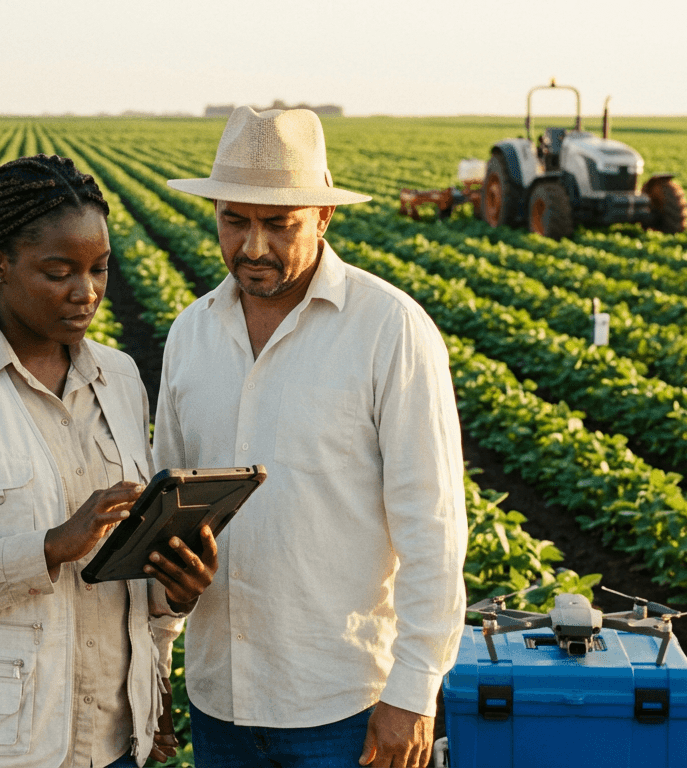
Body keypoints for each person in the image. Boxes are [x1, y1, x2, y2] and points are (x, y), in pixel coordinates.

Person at [0, 154, 218, 768]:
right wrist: (49, 546)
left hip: (108, 745)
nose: (87, 293)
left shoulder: (121, 377)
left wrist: (173, 595)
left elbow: (125, 578)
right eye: (59, 272)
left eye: (99, 269)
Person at [155, 107, 468, 768]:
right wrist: (155, 658)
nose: (253, 247)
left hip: (342, 699)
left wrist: (413, 693)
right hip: (219, 697)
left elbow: (432, 527)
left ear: (324, 217)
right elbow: (169, 516)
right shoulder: (191, 334)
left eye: (279, 224)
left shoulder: (389, 330)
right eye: (234, 221)